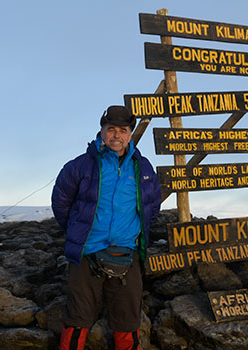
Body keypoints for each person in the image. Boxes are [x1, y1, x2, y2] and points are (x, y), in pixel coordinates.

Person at [51, 105, 161, 350]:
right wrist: (78, 234)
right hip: (86, 255)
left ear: (130, 135)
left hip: (127, 254)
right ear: (102, 131)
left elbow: (152, 207)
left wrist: (130, 236)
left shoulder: (142, 168)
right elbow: (61, 203)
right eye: (111, 129)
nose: (116, 136)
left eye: (123, 130)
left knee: (128, 320)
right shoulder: (79, 166)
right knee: (78, 317)